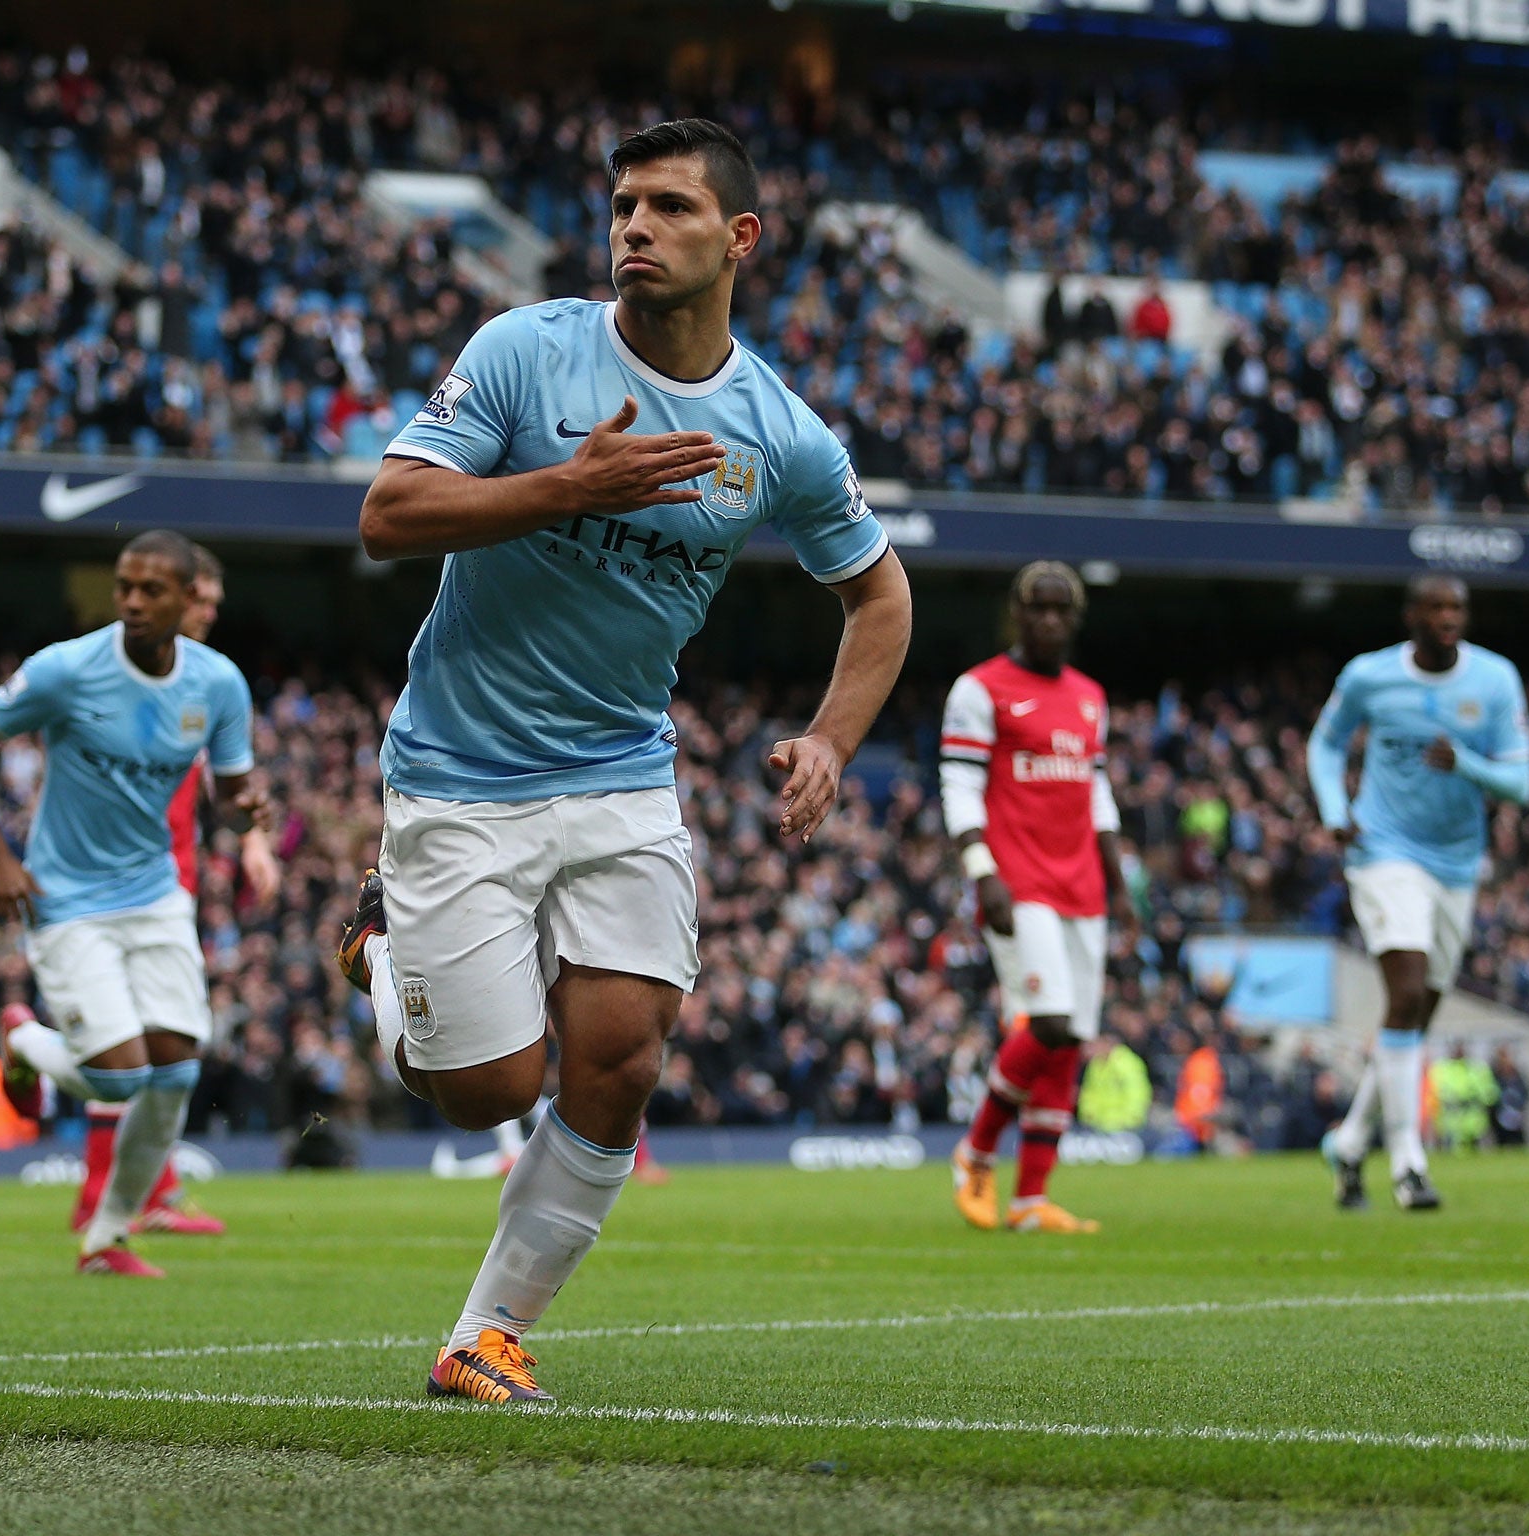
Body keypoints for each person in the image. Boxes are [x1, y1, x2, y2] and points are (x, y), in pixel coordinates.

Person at [341, 118, 910, 1403]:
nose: (633, 229)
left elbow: (879, 597)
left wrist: (829, 738)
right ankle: (380, 944)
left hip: (621, 773)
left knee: (623, 1055)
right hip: (460, 770)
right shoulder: (524, 350)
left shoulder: (782, 435)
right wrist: (562, 488)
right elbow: (386, 517)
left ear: (739, 238)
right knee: (485, 1090)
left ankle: (482, 1334)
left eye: (667, 207)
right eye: (621, 208)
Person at [0, 531, 263, 1277]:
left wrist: (252, 816)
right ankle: (21, 1040)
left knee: (176, 1069)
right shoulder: (68, 669)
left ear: (189, 601)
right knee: (120, 1076)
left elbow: (233, 797)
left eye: (153, 590)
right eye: (125, 587)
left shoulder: (218, 685)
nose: (134, 603)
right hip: (68, 897)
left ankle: (107, 1236)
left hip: (154, 892)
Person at [66, 543, 281, 1239]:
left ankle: (145, 1187)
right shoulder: (122, 678)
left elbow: (230, 781)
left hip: (170, 877)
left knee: (164, 1042)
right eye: (205, 602)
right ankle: (109, 1188)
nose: (212, 615)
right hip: (118, 882)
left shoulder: (205, 684)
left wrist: (249, 837)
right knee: (134, 1043)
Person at [1310, 575, 1529, 1211]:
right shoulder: (1368, 677)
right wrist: (1334, 808)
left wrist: (1466, 763)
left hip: (1458, 865)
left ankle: (1350, 1141)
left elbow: (1521, 784)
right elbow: (1326, 744)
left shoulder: (1494, 681)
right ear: (1410, 616)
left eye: (1456, 607)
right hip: (1382, 849)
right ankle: (1409, 1161)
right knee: (1404, 994)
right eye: (1434, 606)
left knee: (1415, 1016)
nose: (1447, 616)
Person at [942, 562, 1132, 1233]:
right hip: (1019, 883)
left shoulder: (1089, 697)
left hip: (1083, 883)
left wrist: (1119, 879)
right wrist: (980, 868)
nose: (1050, 621)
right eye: (1038, 609)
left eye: (1062, 611)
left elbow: (1096, 791)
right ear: (1017, 614)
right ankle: (976, 1152)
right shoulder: (980, 689)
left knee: (1072, 1040)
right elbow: (960, 786)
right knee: (1049, 1022)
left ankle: (1030, 1201)